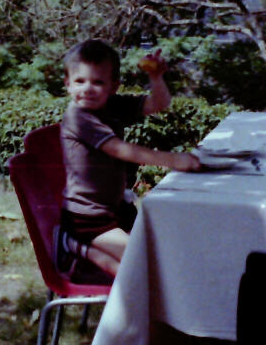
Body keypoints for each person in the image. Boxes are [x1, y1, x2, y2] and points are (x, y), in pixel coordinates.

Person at [59, 39, 200, 280]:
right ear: (68, 84)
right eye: (80, 81)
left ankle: (84, 249)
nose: (88, 89)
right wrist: (173, 160)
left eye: (98, 82)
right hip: (87, 218)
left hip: (116, 210)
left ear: (114, 86)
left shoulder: (112, 105)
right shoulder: (78, 116)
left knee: (160, 259)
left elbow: (159, 103)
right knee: (142, 264)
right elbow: (119, 149)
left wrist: (156, 78)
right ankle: (78, 247)